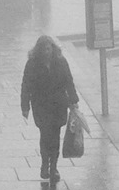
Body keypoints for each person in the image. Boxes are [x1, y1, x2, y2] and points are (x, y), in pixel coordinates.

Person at [19, 35, 80, 182]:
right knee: (45, 135)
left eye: (49, 49)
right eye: (44, 49)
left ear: (53, 48)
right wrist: (25, 106)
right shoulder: (32, 64)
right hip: (41, 105)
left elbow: (68, 81)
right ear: (39, 50)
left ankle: (53, 167)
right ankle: (44, 164)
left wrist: (73, 101)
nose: (47, 52)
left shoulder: (61, 62)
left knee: (55, 136)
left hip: (58, 104)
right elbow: (26, 85)